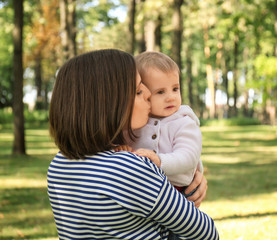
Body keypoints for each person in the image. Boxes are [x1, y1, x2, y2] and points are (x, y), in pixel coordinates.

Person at [47, 49, 218, 240]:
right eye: (138, 91)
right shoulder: (130, 168)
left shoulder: (58, 165)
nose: (147, 95)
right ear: (111, 105)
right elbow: (206, 232)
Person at [116, 51, 202, 198]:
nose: (171, 97)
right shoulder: (136, 123)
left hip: (178, 189)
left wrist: (160, 161)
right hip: (144, 190)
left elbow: (189, 156)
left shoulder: (183, 122)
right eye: (160, 92)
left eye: (175, 89)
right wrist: (123, 148)